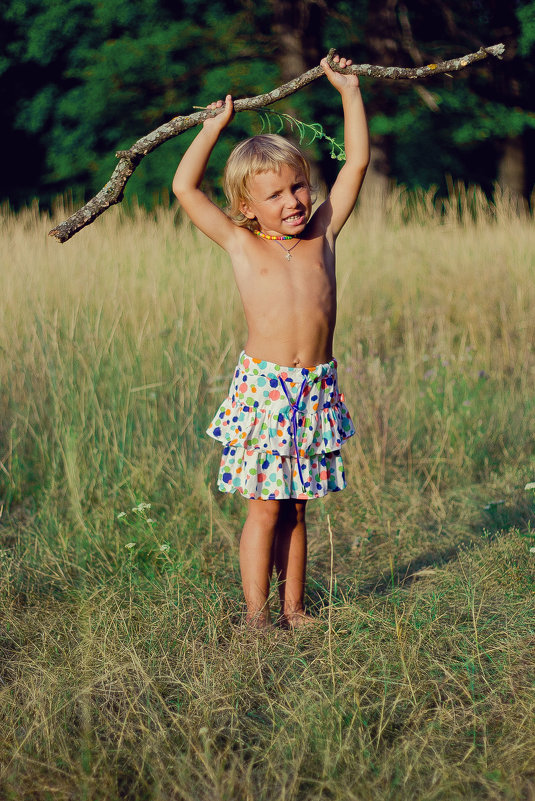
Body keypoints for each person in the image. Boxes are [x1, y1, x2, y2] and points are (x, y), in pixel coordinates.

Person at [172, 54, 369, 630]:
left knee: (297, 510)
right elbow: (185, 187)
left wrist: (349, 93)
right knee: (264, 509)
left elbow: (356, 161)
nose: (294, 201)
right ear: (246, 207)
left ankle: (295, 609)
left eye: (299, 186)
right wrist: (212, 129)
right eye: (277, 195)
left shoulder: (324, 233)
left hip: (315, 390)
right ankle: (257, 616)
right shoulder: (241, 244)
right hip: (265, 392)